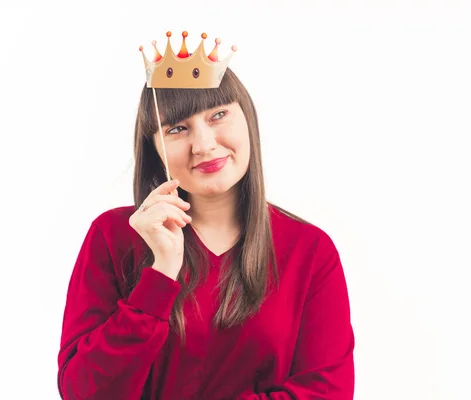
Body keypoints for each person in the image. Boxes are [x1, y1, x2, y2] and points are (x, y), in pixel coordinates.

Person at [56, 59, 355, 398]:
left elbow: (326, 392)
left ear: (248, 118)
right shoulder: (113, 236)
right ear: (155, 147)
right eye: (177, 129)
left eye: (218, 115)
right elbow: (84, 392)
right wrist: (160, 276)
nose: (203, 144)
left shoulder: (310, 250)